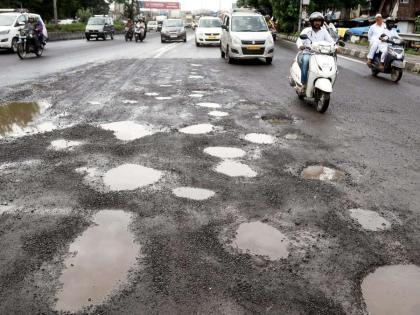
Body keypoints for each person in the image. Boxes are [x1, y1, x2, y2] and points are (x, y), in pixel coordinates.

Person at [296, 12, 335, 92]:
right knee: (306, 61)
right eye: (315, 21)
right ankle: (304, 84)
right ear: (311, 22)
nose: (317, 23)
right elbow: (299, 40)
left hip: (321, 55)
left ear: (321, 22)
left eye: (319, 21)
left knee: (331, 63)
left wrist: (336, 47)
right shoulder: (307, 30)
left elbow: (331, 41)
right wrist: (301, 45)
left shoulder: (324, 31)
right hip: (308, 53)